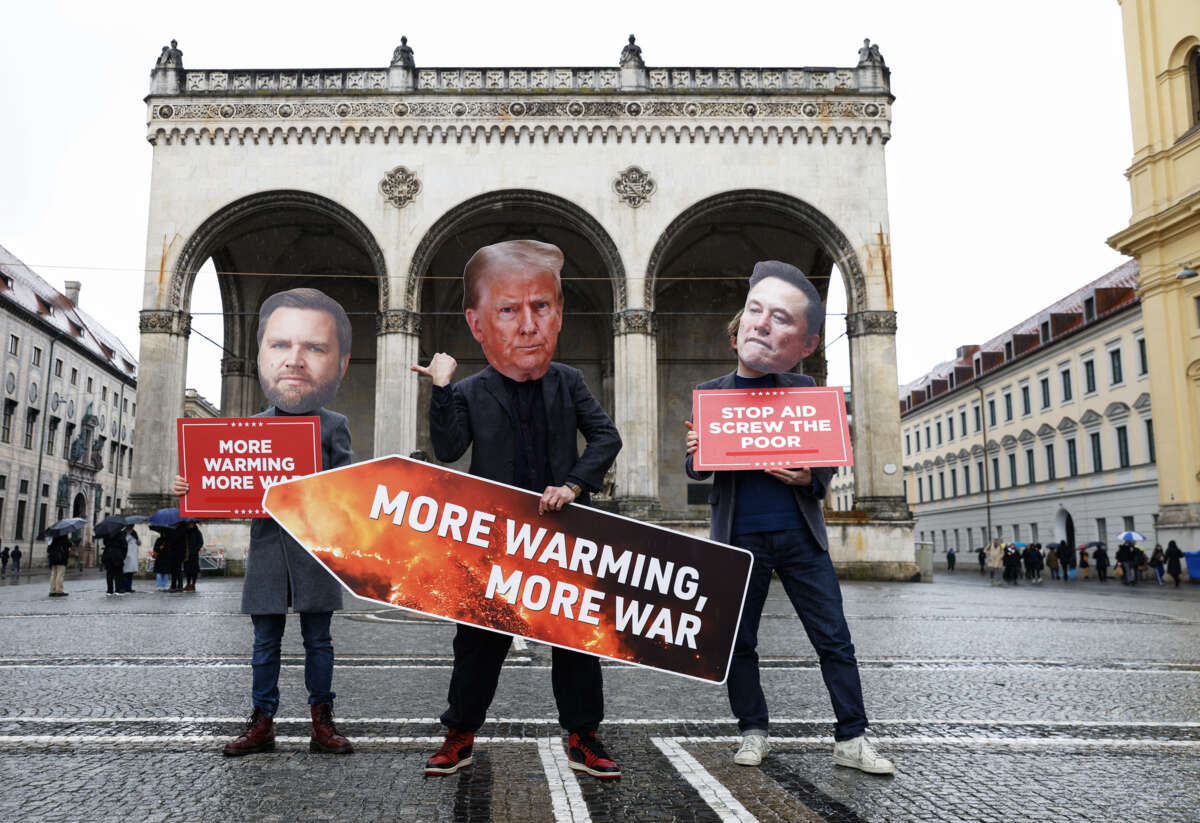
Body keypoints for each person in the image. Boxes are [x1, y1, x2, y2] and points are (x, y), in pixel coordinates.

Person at [413, 239, 623, 779]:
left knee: (575, 641)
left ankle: (584, 736)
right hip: (493, 539)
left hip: (562, 533)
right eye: (508, 310)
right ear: (479, 324)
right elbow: (448, 448)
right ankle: (459, 733)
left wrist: (575, 485)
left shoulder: (568, 381)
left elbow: (605, 437)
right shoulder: (471, 390)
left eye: (541, 308)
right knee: (479, 644)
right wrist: (441, 390)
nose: (528, 326)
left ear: (559, 318)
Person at [683, 260, 893, 775]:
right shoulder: (712, 395)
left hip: (800, 534)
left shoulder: (805, 390)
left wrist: (810, 479)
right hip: (740, 537)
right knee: (739, 642)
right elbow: (696, 469)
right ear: (735, 340)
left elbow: (825, 457)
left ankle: (852, 738)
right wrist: (695, 450)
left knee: (834, 638)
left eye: (775, 323)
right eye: (750, 322)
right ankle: (753, 731)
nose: (759, 329)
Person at [175, 287, 355, 757]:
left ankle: (323, 723)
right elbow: (230, 490)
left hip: (315, 551)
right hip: (270, 550)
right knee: (264, 644)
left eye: (312, 347)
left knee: (320, 643)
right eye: (280, 346)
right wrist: (192, 489)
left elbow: (347, 490)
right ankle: (262, 722)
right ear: (262, 358)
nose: (294, 361)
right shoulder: (250, 427)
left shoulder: (333, 425)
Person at [100, 530, 127, 596]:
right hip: (117, 555)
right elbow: (125, 546)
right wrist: (123, 556)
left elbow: (105, 543)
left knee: (109, 573)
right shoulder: (120, 533)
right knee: (118, 573)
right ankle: (118, 589)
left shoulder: (107, 533)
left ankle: (110, 590)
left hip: (108, 554)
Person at [183, 522, 203, 592]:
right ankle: (188, 584)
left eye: (191, 524)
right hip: (187, 554)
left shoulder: (197, 532)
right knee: (187, 570)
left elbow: (201, 542)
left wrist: (196, 549)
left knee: (194, 570)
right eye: (189, 524)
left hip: (194, 554)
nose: (190, 525)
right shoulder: (185, 532)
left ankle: (193, 584)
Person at [122, 526, 140, 593]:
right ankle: (123, 587)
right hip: (126, 555)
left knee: (130, 573)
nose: (132, 527)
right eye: (131, 526)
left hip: (133, 555)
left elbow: (139, 543)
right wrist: (129, 536)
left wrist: (137, 538)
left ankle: (129, 588)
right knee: (125, 572)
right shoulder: (123, 533)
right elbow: (123, 542)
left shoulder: (134, 533)